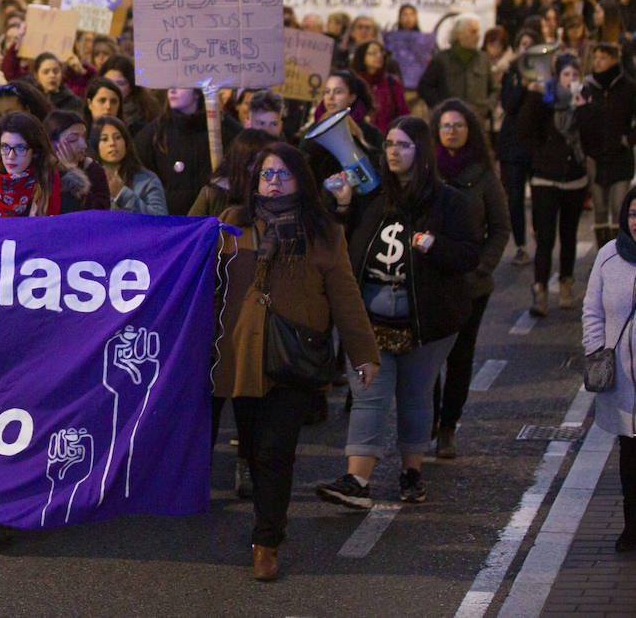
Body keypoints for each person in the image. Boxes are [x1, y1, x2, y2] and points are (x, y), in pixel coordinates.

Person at [214, 143, 379, 580]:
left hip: (293, 357)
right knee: (251, 446)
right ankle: (267, 523)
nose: (273, 182)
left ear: (300, 181)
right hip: (241, 353)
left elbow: (344, 295)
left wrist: (363, 353)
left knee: (275, 450)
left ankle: (266, 541)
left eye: (283, 174)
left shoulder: (323, 231)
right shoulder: (233, 223)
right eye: (267, 174)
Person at [319, 116, 481, 510]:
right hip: (372, 320)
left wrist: (435, 246)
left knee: (414, 397)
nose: (393, 150)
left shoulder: (450, 202)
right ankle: (357, 480)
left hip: (427, 322)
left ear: (422, 152)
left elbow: (469, 255)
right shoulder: (371, 197)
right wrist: (340, 205)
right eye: (389, 143)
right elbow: (341, 245)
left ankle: (412, 473)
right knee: (369, 396)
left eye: (403, 145)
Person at [430, 100, 510, 459]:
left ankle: (448, 426)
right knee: (427, 358)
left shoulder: (483, 175)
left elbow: (500, 227)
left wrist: (481, 266)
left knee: (460, 358)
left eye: (458, 125)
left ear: (470, 131)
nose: (451, 131)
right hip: (430, 279)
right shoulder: (426, 170)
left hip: (470, 285)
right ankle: (427, 421)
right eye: (445, 125)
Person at [580, 186, 636, 553]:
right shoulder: (609, 255)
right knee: (630, 457)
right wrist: (596, 350)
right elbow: (592, 311)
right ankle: (632, 526)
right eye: (633, 213)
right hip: (625, 379)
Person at [520, 52, 590, 315]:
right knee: (545, 237)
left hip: (574, 178)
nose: (570, 79)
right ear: (557, 77)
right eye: (566, 75)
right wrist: (535, 97)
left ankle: (566, 284)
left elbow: (592, 134)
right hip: (545, 178)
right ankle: (540, 290)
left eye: (575, 75)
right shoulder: (544, 98)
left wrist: (583, 108)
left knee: (569, 235)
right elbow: (525, 129)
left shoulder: (584, 98)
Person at [137, 88, 241, 216]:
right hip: (170, 220)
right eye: (170, 85)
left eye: (181, 85)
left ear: (197, 92)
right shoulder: (154, 133)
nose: (172, 91)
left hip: (212, 218)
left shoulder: (224, 129)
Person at [577, 43, 636, 248]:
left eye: (602, 57)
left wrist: (629, 139)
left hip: (620, 155)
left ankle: (619, 251)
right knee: (600, 208)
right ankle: (603, 253)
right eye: (595, 58)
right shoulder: (588, 86)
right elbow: (579, 119)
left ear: (613, 59)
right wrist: (584, 150)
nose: (597, 62)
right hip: (596, 156)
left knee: (619, 205)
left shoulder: (627, 86)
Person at [0, 111, 78, 217]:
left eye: (20, 148)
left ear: (35, 151)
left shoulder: (54, 184)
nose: (11, 156)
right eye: (5, 146)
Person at [497, 28, 538, 265]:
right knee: (514, 197)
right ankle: (521, 244)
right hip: (512, 146)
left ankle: (539, 234)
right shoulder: (511, 73)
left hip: (536, 144)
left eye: (530, 44)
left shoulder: (545, 74)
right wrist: (523, 84)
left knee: (540, 198)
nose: (526, 48)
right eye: (523, 43)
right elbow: (509, 105)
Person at [417, 16, 495, 122]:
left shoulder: (484, 60)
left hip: (477, 121)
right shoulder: (442, 59)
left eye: (478, 32)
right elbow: (424, 87)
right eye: (473, 31)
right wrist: (441, 107)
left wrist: (488, 107)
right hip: (448, 123)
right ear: (459, 34)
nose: (477, 36)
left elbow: (494, 89)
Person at [188, 128, 278, 218]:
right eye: (258, 161)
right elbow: (191, 228)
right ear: (243, 161)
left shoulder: (275, 192)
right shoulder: (213, 194)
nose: (265, 167)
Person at [92, 115, 167, 214]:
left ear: (126, 142)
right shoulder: (89, 180)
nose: (112, 143)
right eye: (104, 139)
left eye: (117, 137)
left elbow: (161, 219)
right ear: (95, 145)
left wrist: (122, 194)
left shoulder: (147, 179)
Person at [45, 110, 109, 210]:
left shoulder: (93, 169)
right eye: (73, 139)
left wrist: (73, 174)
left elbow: (99, 212)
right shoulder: (41, 172)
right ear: (53, 143)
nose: (84, 145)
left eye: (84, 137)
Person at [352, 41, 409, 134]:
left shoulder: (392, 82)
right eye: (373, 53)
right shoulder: (354, 83)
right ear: (363, 58)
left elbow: (403, 113)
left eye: (381, 52)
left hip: (388, 138)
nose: (379, 56)